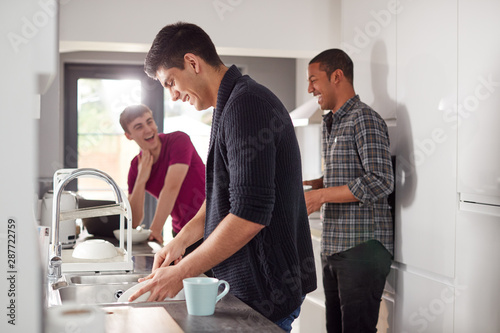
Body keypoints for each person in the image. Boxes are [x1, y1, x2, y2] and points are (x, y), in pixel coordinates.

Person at [128, 22, 317, 331]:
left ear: (192, 62)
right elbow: (223, 197)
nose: (173, 96)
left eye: (171, 82)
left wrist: (181, 273)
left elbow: (249, 215)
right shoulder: (228, 105)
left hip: (265, 292)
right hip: (248, 289)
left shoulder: (247, 105)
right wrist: (180, 242)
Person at [303, 49, 394, 332]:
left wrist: (320, 196)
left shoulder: (364, 118)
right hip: (335, 247)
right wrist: (314, 184)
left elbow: (381, 180)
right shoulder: (333, 122)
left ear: (337, 76)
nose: (309, 89)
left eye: (313, 80)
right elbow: (350, 173)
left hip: (362, 248)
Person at [120, 104, 206, 248]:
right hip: (181, 232)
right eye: (139, 127)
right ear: (129, 136)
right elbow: (133, 221)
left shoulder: (178, 140)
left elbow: (171, 188)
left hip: (210, 224)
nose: (148, 129)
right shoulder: (136, 166)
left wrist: (155, 230)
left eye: (149, 121)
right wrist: (141, 179)